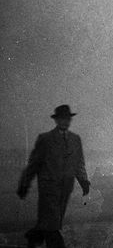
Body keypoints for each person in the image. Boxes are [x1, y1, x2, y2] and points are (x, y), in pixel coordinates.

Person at [17, 105, 90, 248]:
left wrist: (84, 181)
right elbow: (34, 164)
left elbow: (79, 163)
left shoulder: (75, 140)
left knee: (51, 222)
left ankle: (34, 236)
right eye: (62, 119)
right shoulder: (46, 139)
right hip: (49, 189)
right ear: (56, 121)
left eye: (67, 119)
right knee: (52, 226)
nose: (65, 122)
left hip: (66, 188)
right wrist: (24, 183)